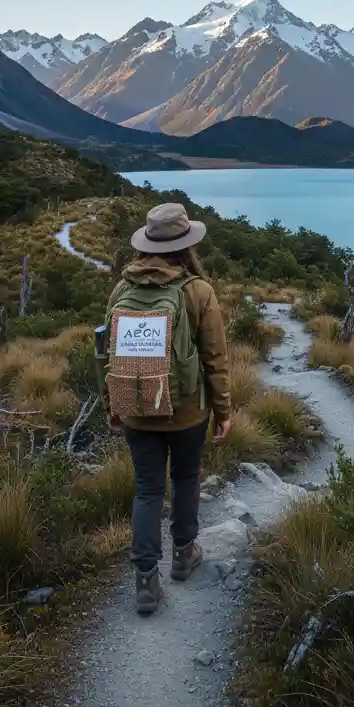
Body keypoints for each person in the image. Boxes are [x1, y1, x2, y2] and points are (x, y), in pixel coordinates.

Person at [100, 203, 231, 614]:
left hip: (137, 407)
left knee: (148, 489)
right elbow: (215, 357)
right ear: (186, 245)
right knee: (187, 476)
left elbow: (109, 354)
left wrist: (115, 404)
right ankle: (183, 554)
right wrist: (223, 411)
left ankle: (145, 581)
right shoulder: (198, 290)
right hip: (188, 410)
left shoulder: (121, 290)